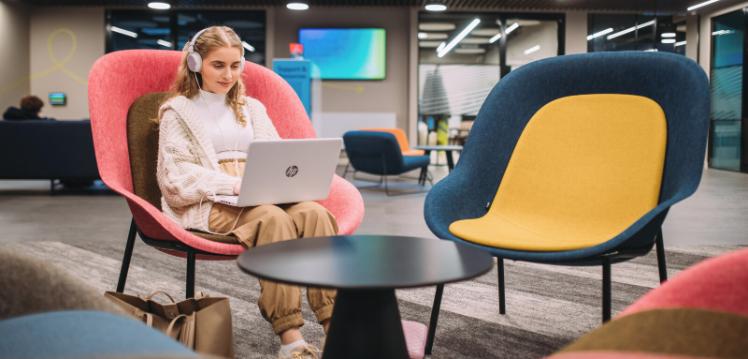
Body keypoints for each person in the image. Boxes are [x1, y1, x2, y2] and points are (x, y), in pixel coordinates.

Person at [156, 26, 337, 359]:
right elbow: (175, 178)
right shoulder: (178, 111)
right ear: (196, 63)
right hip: (209, 199)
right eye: (218, 65)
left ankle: (335, 327)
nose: (229, 74)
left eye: (236, 65)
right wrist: (233, 184)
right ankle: (291, 339)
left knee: (316, 214)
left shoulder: (252, 108)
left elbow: (276, 155)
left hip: (261, 190)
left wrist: (282, 180)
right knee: (272, 220)